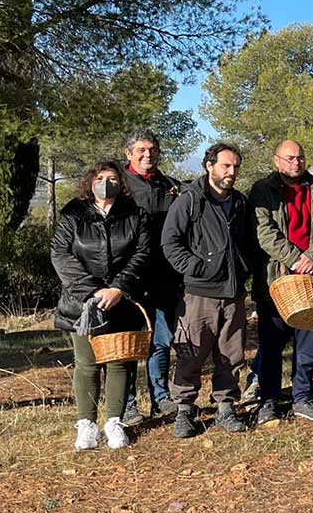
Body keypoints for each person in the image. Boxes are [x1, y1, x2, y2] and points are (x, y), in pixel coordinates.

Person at [51, 161, 150, 451]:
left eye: (112, 178)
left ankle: (114, 422)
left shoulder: (135, 214)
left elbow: (141, 254)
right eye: (100, 177)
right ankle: (87, 425)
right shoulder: (73, 214)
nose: (106, 182)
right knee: (87, 364)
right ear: (90, 181)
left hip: (122, 301)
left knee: (120, 363)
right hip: (82, 304)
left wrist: (119, 287)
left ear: (122, 183)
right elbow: (60, 254)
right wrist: (92, 291)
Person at [159, 143, 251, 438]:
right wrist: (196, 268)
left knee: (231, 353)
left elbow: (249, 241)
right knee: (192, 352)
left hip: (234, 292)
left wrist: (244, 269)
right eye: (226, 166)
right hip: (199, 293)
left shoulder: (239, 203)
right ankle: (184, 409)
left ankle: (226, 407)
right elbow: (170, 242)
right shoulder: (190, 200)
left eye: (235, 166)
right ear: (209, 166)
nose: (231, 172)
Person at [249, 140, 313, 423]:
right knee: (272, 345)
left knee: (309, 343)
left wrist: (311, 257)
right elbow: (264, 232)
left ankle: (302, 396)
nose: (295, 163)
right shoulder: (262, 190)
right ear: (277, 160)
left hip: (312, 280)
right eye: (289, 158)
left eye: (300, 158)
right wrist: (293, 259)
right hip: (276, 280)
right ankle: (268, 400)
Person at [119, 130, 182, 425]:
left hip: (166, 275)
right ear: (128, 153)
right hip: (130, 276)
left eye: (153, 149)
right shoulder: (118, 186)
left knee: (161, 339)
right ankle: (128, 403)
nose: (148, 154)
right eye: (141, 149)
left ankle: (161, 397)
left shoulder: (171, 186)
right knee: (131, 341)